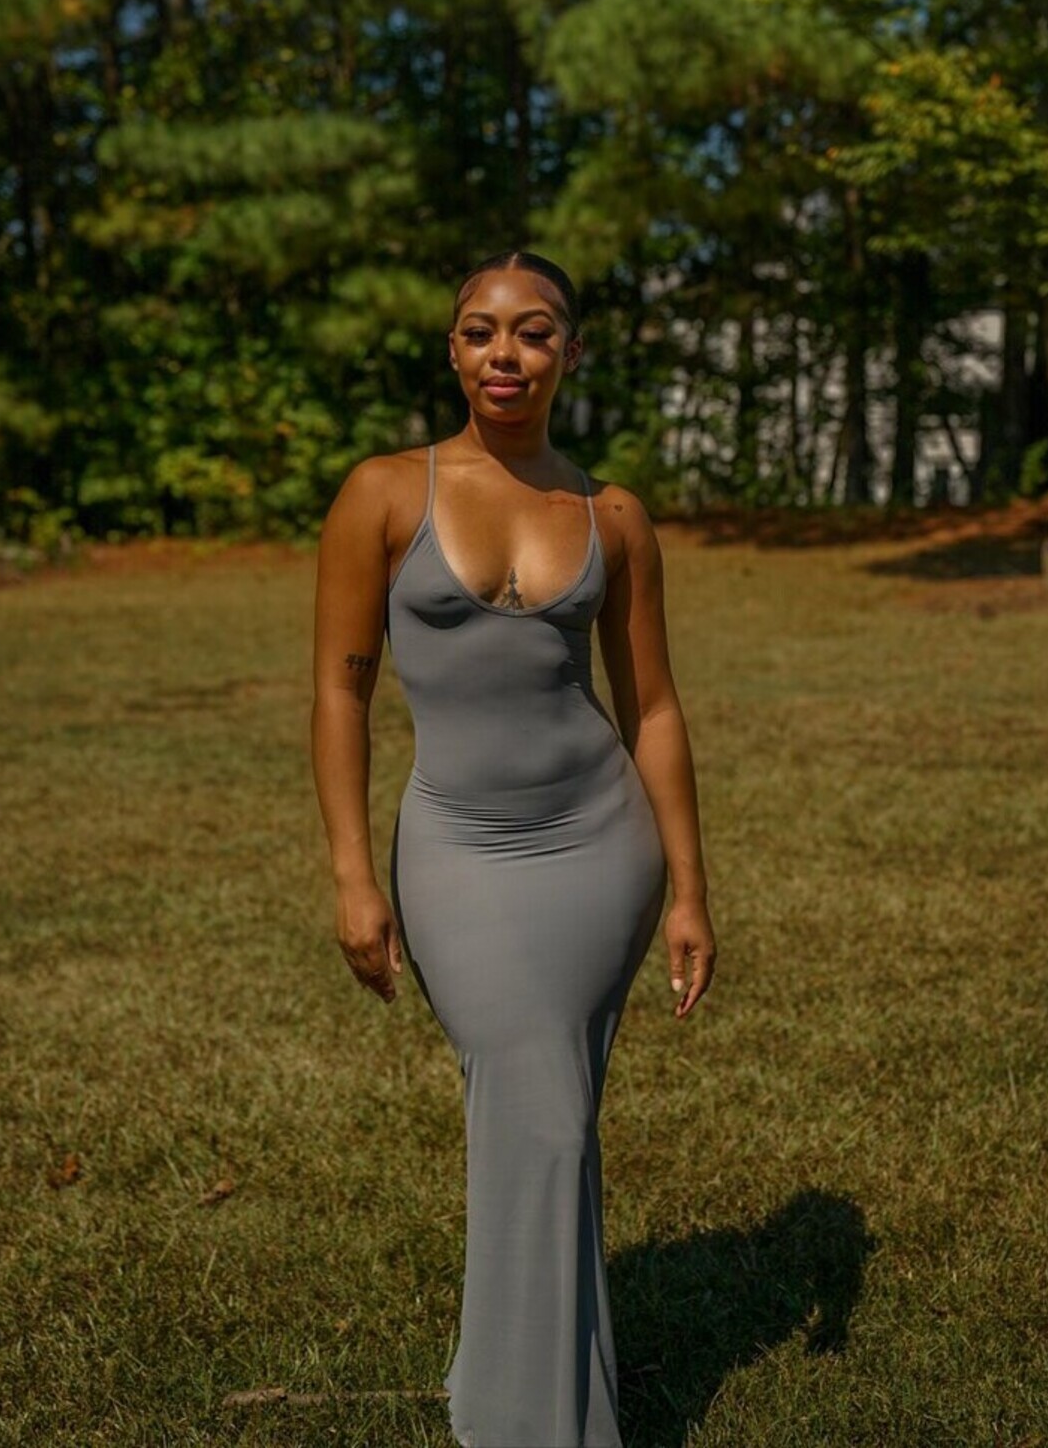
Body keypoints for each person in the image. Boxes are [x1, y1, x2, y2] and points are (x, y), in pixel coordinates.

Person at [311, 250, 716, 1448]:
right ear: (452, 349)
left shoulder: (611, 516)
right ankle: (532, 1414)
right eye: (481, 330)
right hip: (458, 848)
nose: (506, 352)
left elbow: (653, 709)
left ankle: (518, 1397)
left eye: (534, 332)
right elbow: (340, 692)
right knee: (538, 1113)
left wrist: (690, 889)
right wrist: (352, 873)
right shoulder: (383, 495)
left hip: (600, 846)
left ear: (570, 354)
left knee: (557, 1118)